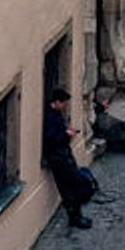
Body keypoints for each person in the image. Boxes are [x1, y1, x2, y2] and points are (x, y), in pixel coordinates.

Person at [43, 88, 96, 229]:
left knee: (70, 186)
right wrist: (67, 135)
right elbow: (51, 140)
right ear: (57, 102)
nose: (66, 106)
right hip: (58, 158)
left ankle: (75, 216)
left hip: (62, 155)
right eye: (64, 103)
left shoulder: (54, 114)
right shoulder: (50, 118)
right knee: (73, 185)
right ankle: (75, 217)